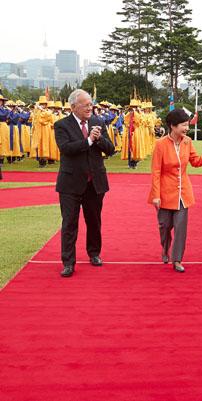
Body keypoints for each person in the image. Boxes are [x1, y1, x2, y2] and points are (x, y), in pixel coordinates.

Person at [54, 89, 116, 277]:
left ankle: (94, 253)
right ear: (73, 107)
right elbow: (66, 149)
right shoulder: (61, 125)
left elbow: (111, 149)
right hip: (70, 182)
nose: (90, 108)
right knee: (69, 223)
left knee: (94, 221)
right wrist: (88, 140)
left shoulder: (98, 122)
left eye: (91, 104)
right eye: (86, 105)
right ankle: (68, 262)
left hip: (94, 182)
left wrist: (99, 139)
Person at [148, 108, 202, 273]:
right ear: (172, 126)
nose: (186, 128)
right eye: (183, 125)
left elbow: (195, 162)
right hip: (164, 192)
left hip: (183, 193)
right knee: (164, 226)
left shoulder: (187, 142)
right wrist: (156, 195)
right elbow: (155, 172)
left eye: (187, 125)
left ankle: (177, 259)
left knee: (180, 227)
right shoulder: (160, 144)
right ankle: (165, 247)